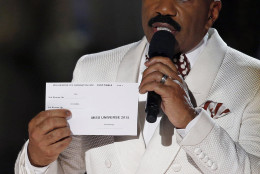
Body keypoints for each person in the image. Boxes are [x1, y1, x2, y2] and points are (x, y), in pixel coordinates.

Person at [15, 0, 260, 173]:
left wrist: (190, 121)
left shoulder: (252, 78)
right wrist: (38, 158)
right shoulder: (93, 68)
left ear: (212, 12)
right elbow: (68, 167)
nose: (163, 7)